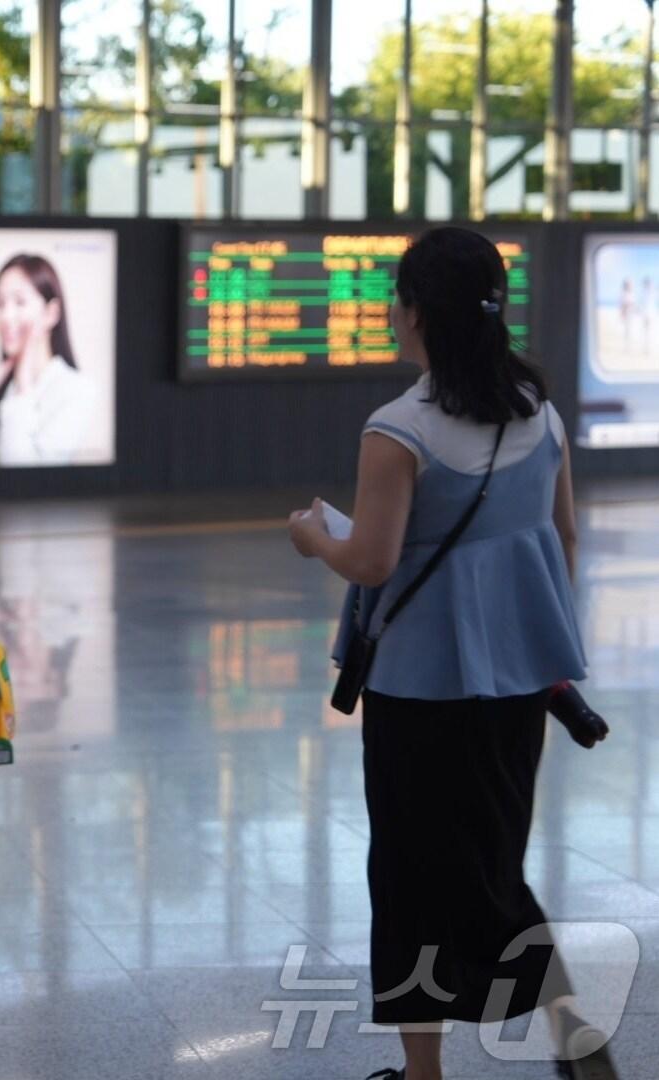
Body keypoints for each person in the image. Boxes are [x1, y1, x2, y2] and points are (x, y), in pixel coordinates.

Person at [287, 227, 615, 1080]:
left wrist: (315, 538)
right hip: (516, 689)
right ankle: (574, 1029)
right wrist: (523, 635)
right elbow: (562, 538)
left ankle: (424, 1074)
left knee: (408, 879)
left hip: (418, 690)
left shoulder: (398, 428)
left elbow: (373, 562)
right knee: (492, 865)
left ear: (415, 313)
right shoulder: (536, 415)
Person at [0, 253, 96, 467]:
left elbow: (28, 483)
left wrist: (24, 387)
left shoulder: (76, 390)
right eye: (0, 303)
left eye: (20, 302)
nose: (6, 316)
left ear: (51, 313)